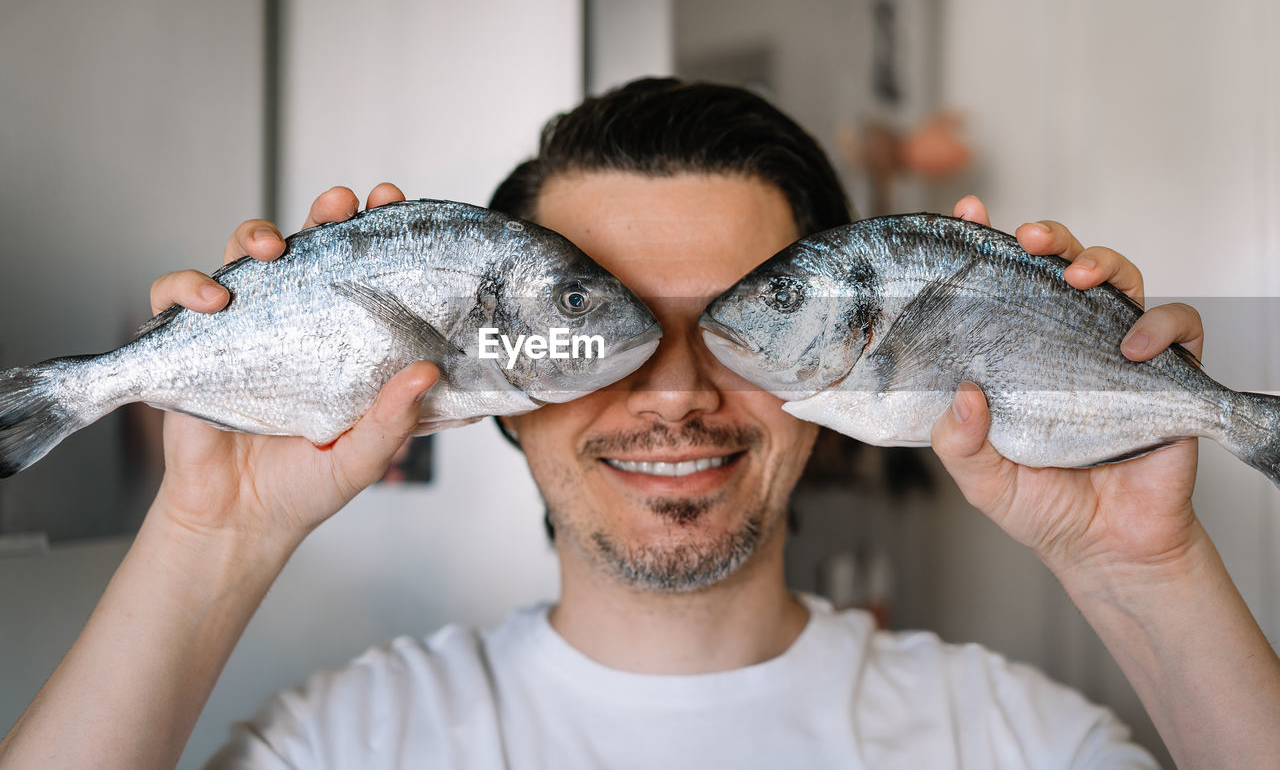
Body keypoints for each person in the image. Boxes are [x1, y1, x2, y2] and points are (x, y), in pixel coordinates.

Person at [2, 78, 1277, 769]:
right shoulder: (353, 741)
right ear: (490, 389)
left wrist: (1142, 568)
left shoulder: (1012, 740)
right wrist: (205, 533)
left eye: (735, 322)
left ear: (839, 388)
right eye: (599, 323)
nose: (671, 389)